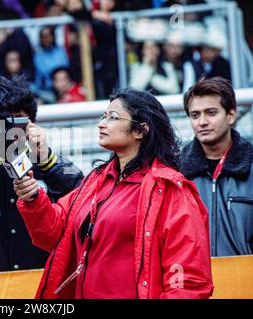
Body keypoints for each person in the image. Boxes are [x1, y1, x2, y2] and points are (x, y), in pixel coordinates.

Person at [13, 88, 214, 299]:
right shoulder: (96, 181)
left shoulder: (171, 189)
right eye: (103, 116)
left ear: (140, 131)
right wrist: (33, 198)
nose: (101, 123)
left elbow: (189, 282)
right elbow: (53, 234)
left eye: (113, 117)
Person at [0, 75, 84, 272]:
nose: (7, 130)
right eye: (0, 120)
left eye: (15, 120)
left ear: (31, 122)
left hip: (40, 279)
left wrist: (46, 158)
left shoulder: (46, 159)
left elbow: (82, 196)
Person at [180, 77, 253, 256]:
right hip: (194, 281)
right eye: (195, 115)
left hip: (244, 279)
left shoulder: (251, 165)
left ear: (231, 115)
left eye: (211, 113)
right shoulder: (176, 171)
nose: (202, 122)